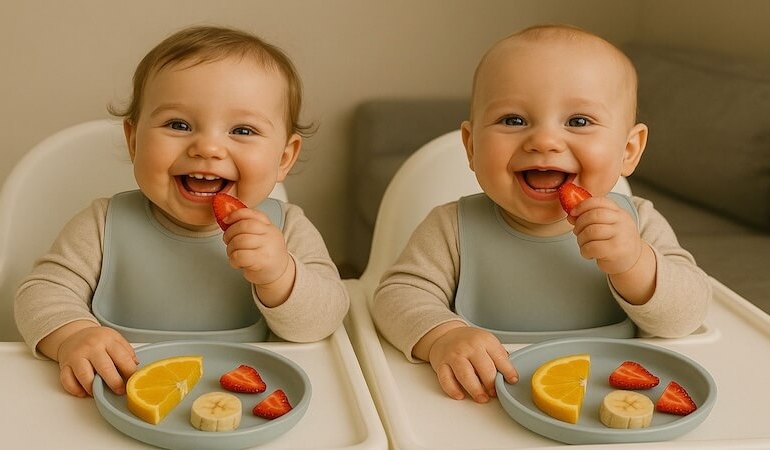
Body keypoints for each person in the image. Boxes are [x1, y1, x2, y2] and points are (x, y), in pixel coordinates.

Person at [370, 24, 710, 404]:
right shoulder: (451, 227)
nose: (544, 141)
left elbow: (689, 314)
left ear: (629, 150)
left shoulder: (639, 222)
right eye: (513, 120)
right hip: (487, 394)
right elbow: (396, 296)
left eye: (578, 121)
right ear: (472, 147)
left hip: (605, 395)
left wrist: (635, 263)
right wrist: (443, 336)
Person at [14, 25, 349, 398]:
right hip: (121, 394)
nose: (207, 148)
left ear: (284, 158)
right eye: (179, 125)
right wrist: (73, 335)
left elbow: (326, 318)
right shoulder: (103, 224)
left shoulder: (287, 229)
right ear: (134, 141)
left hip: (240, 402)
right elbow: (40, 292)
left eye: (242, 130)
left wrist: (280, 275)